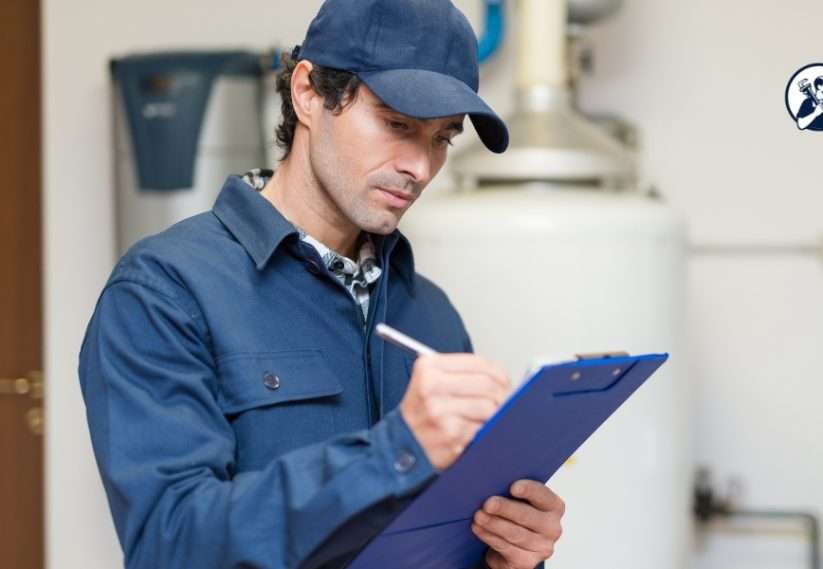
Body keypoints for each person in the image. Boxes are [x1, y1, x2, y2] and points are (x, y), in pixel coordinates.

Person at [77, 1, 565, 567]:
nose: (421, 167)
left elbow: (437, 534)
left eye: (442, 139)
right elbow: (172, 543)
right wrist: (394, 452)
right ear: (309, 93)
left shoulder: (430, 312)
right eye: (397, 124)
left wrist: (504, 550)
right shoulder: (165, 292)